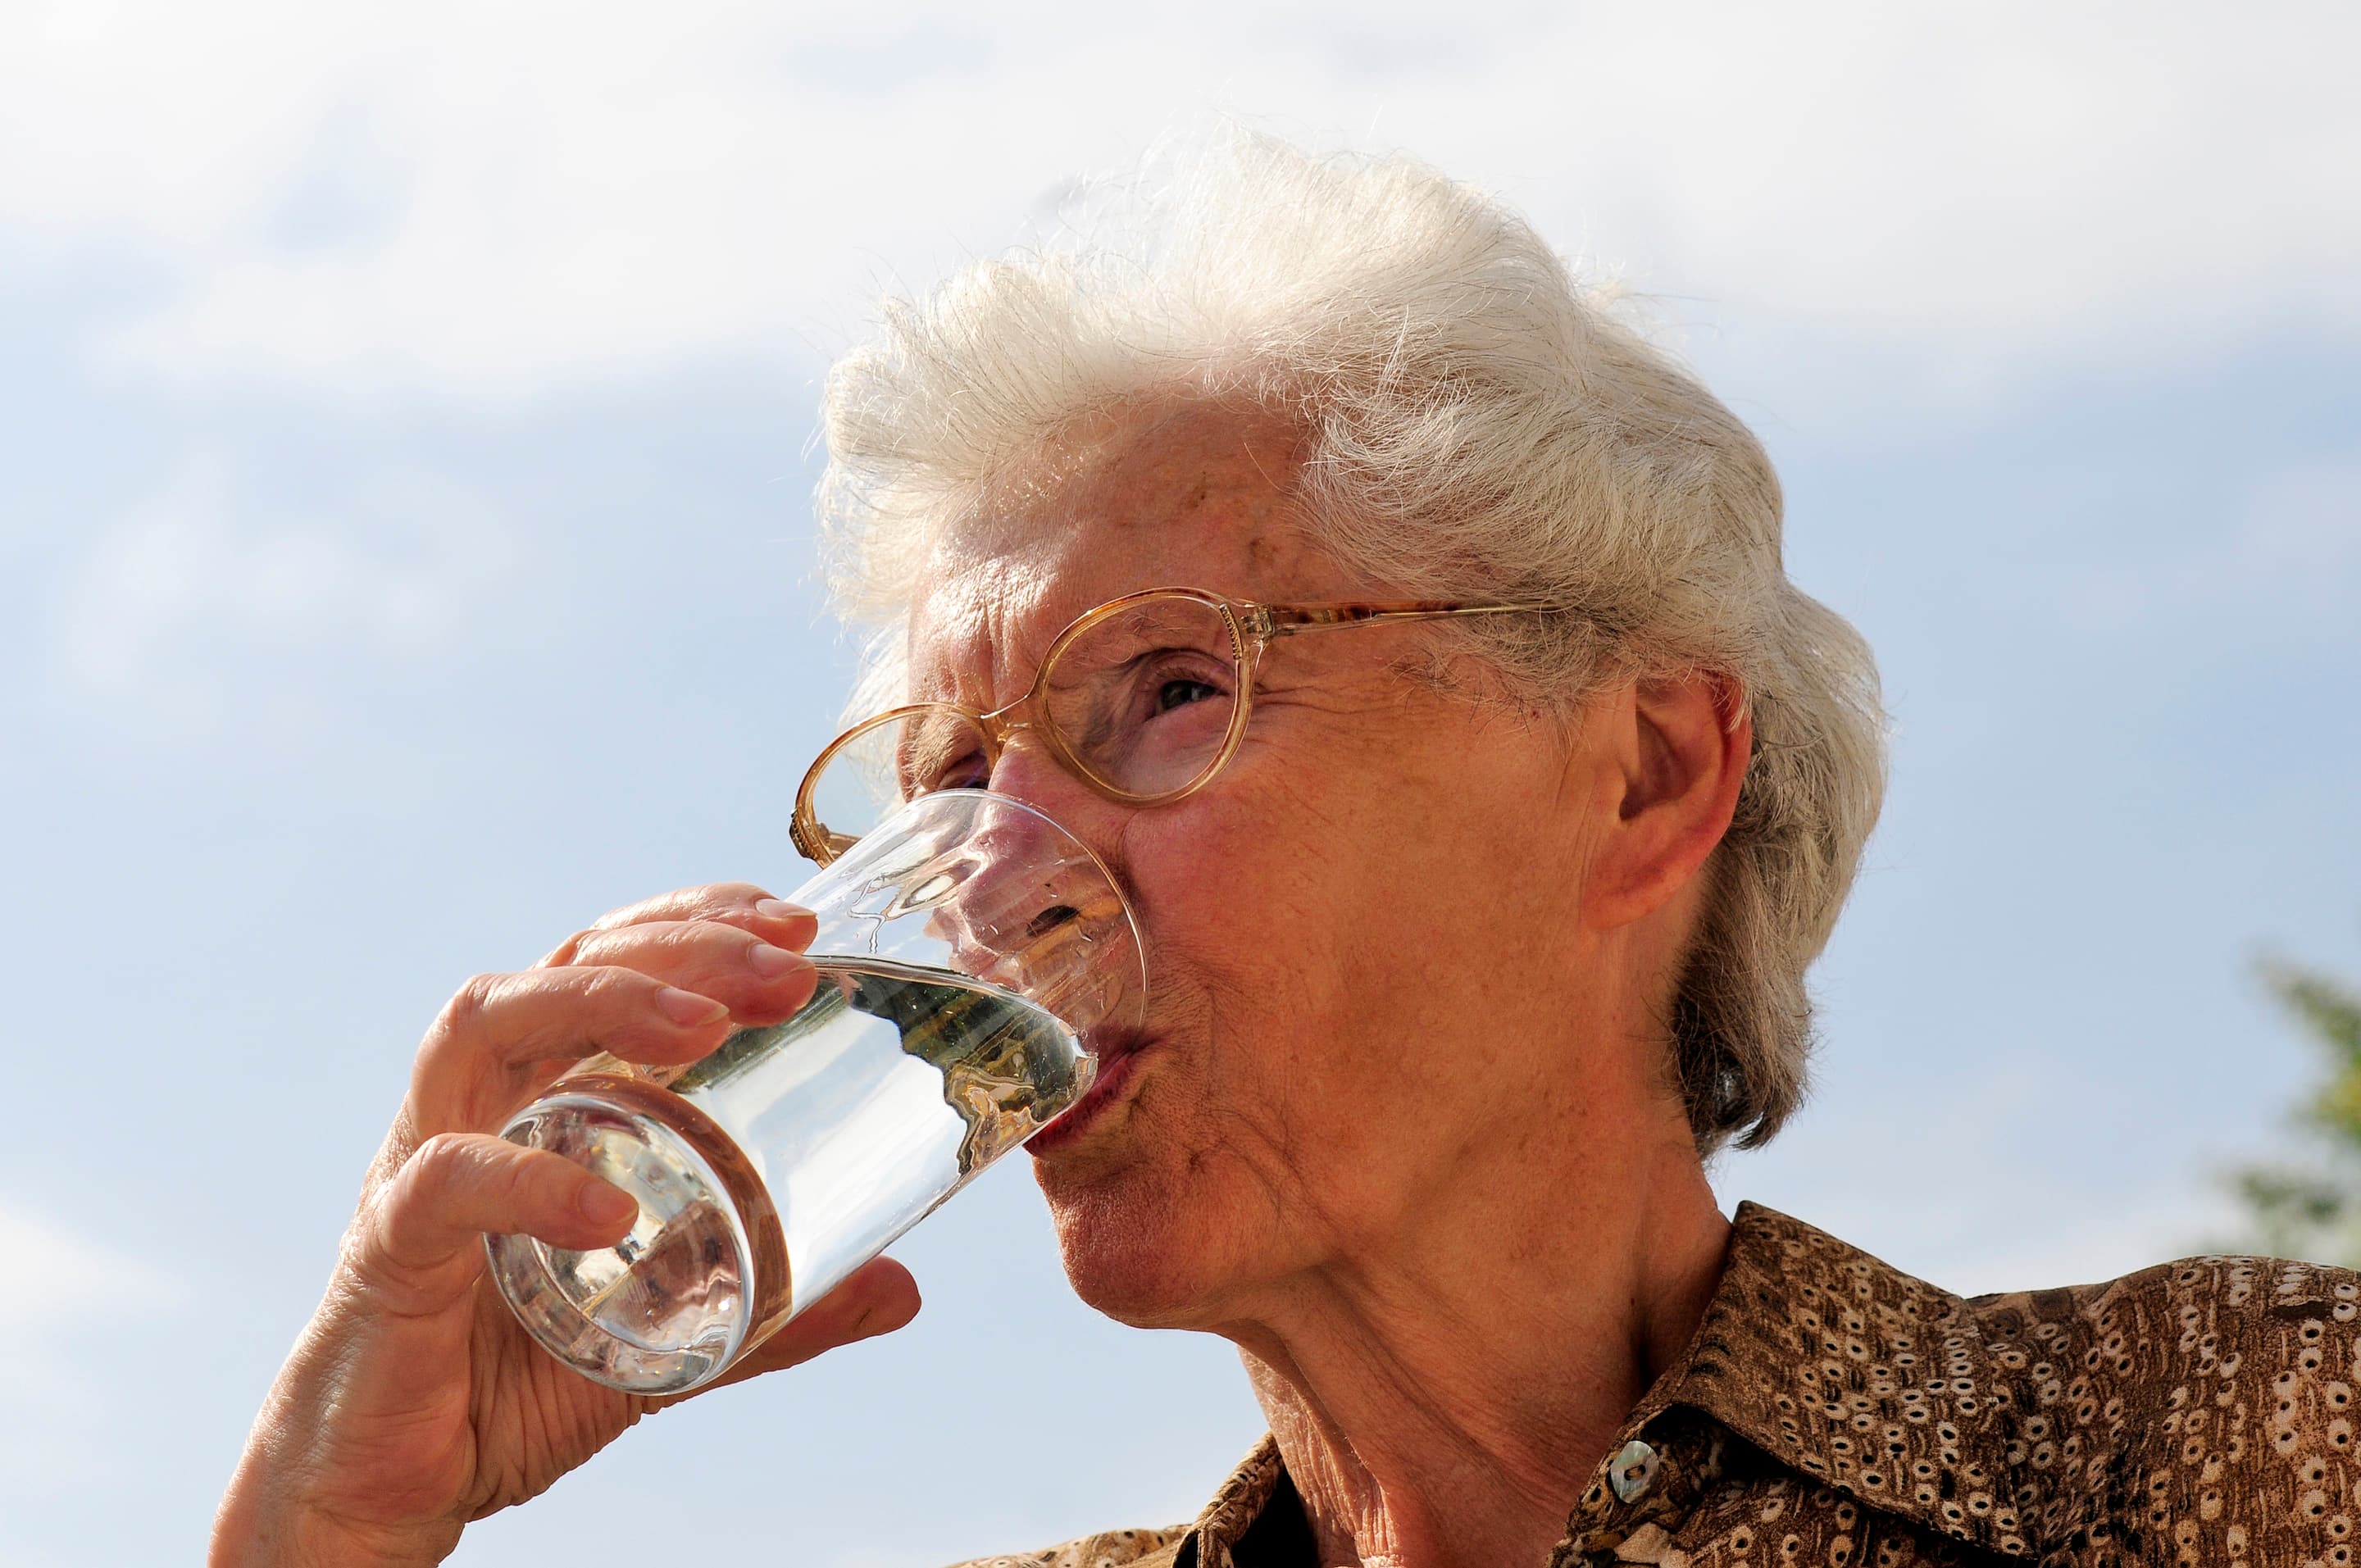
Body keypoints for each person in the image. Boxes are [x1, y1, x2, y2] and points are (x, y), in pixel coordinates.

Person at [212, 138, 2359, 1568]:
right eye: (945, 784)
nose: (986, 870)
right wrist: (339, 1506)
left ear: (1637, 772)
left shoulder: (2240, 1452)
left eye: (1158, 689)